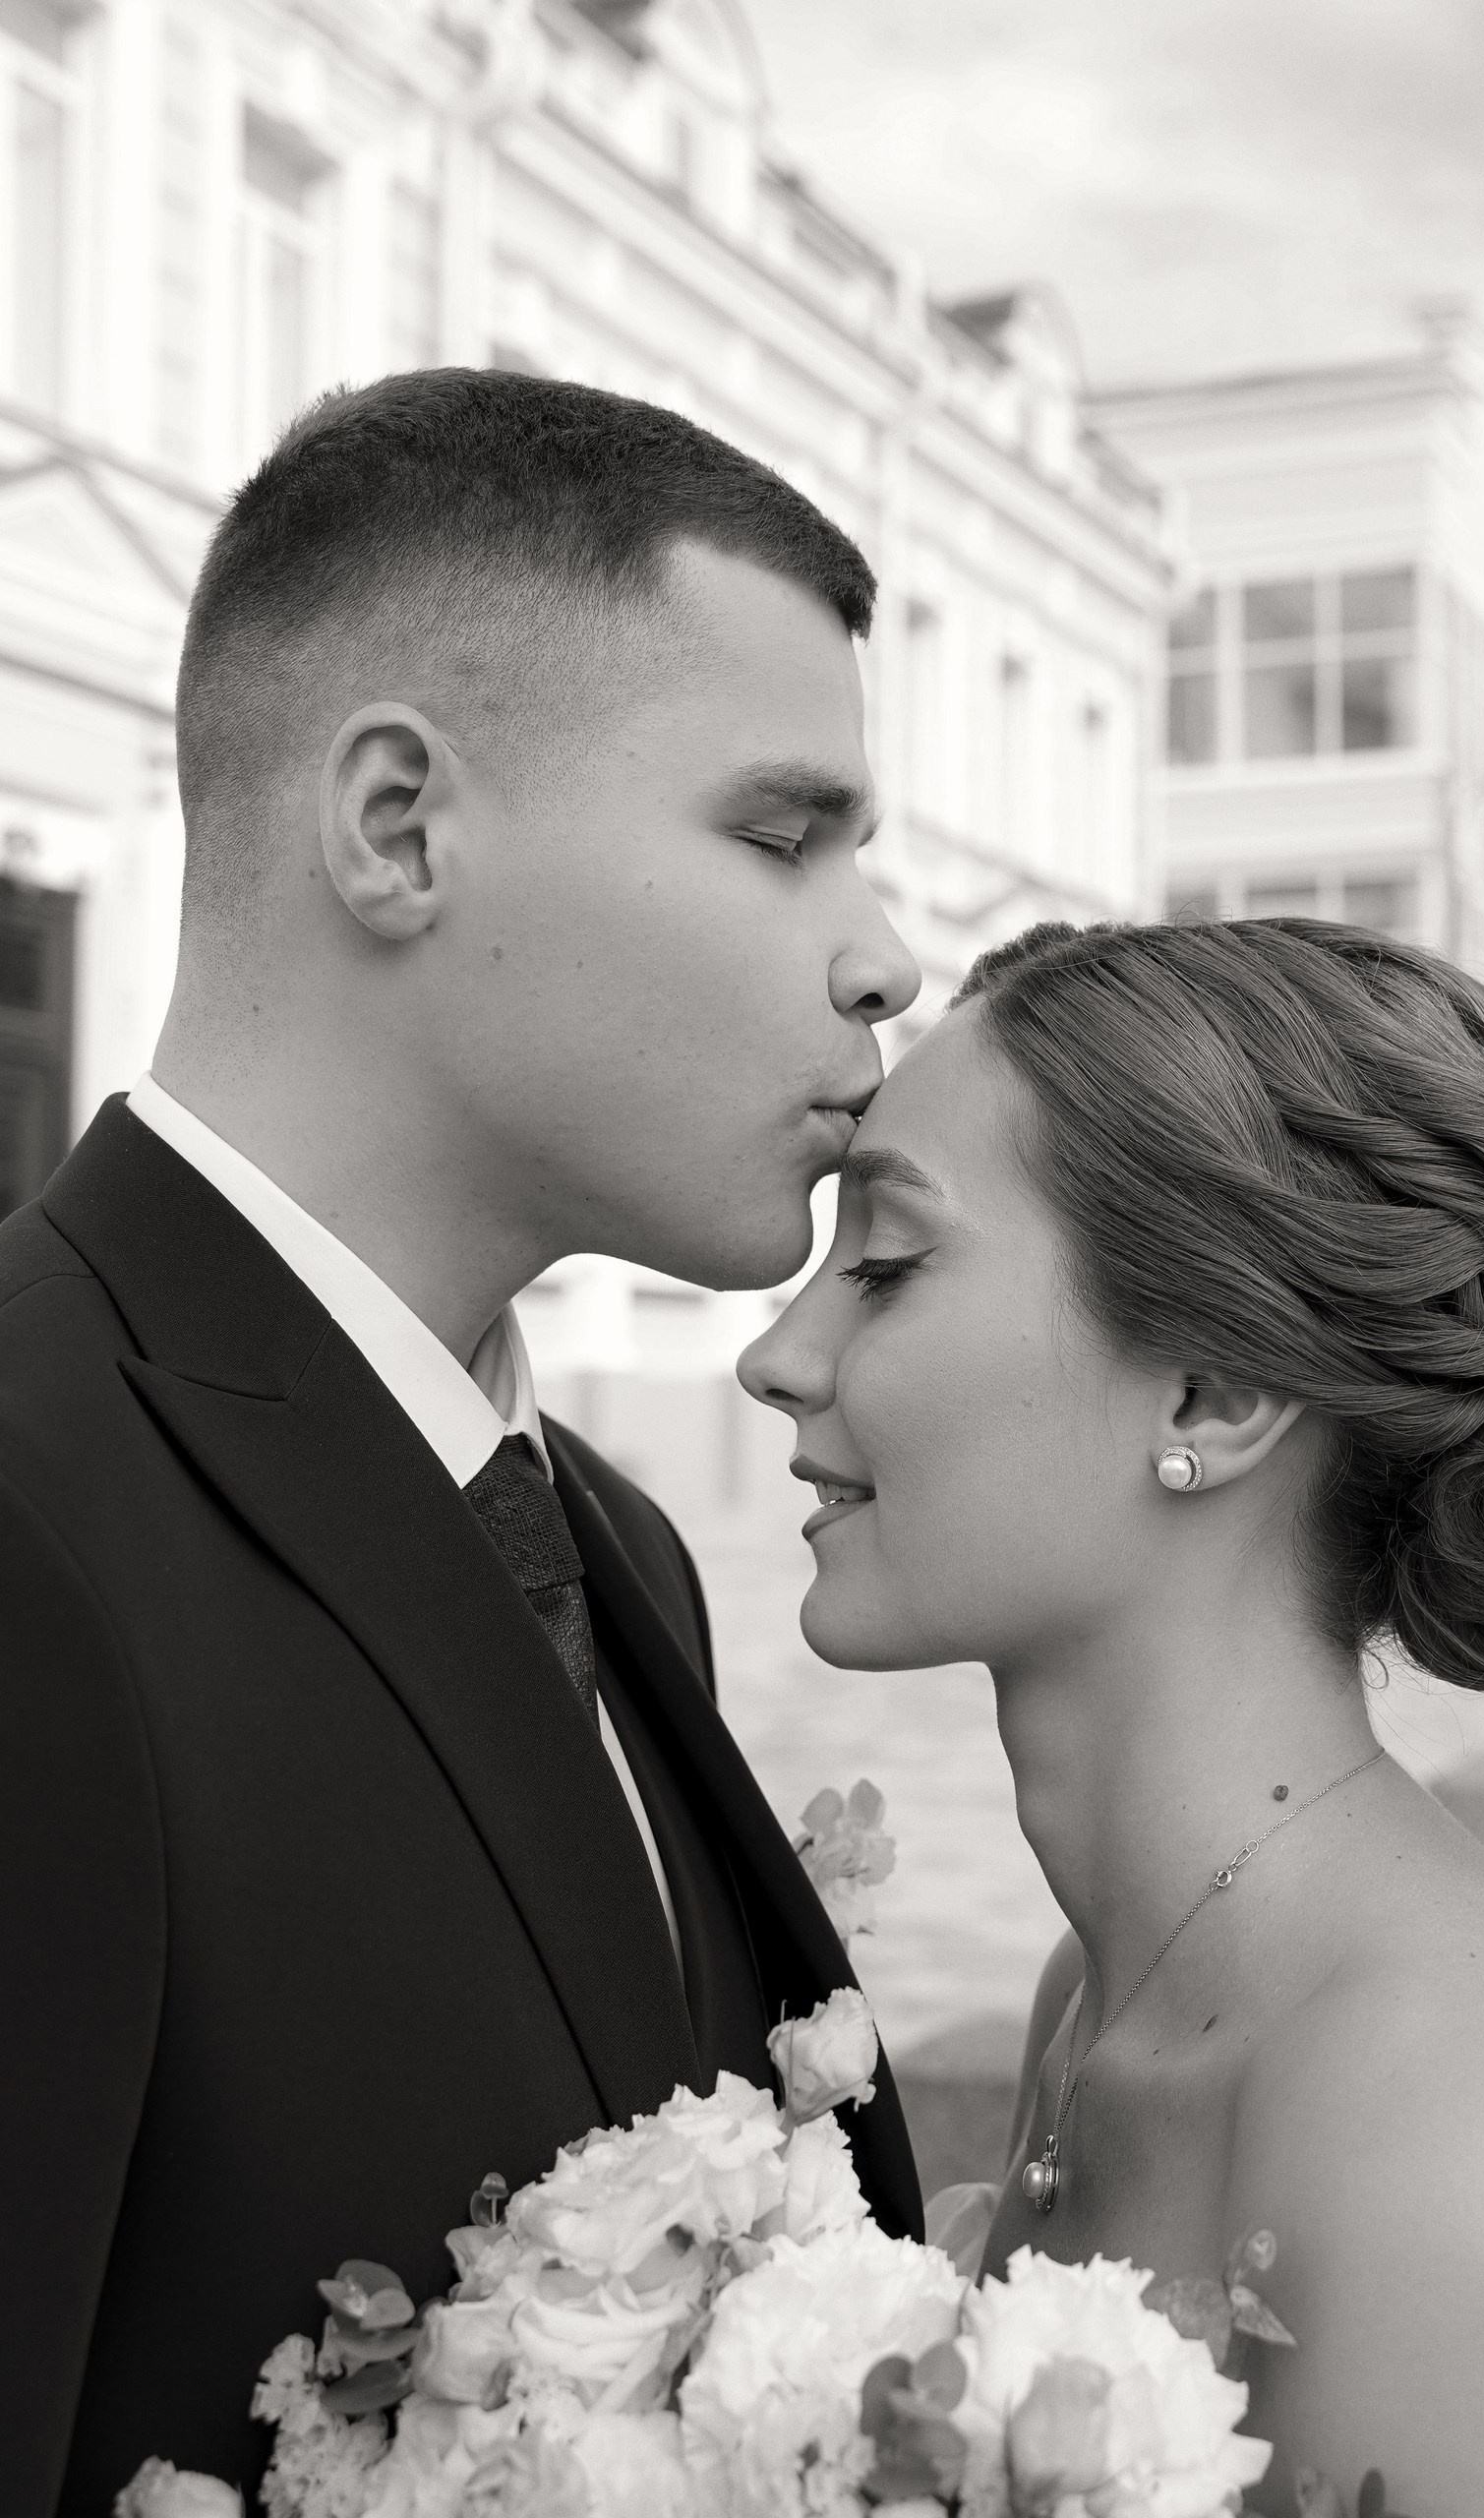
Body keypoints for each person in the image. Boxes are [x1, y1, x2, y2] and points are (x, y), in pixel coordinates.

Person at [0, 369, 924, 2515]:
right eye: (781, 836)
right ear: (399, 826)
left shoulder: (613, 1541)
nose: (884, 960)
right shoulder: (23, 1510)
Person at [740, 914, 1484, 2515]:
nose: (778, 1355)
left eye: (886, 1268)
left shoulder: (1462, 2125)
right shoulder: (1096, 1999)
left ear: (1213, 1395)